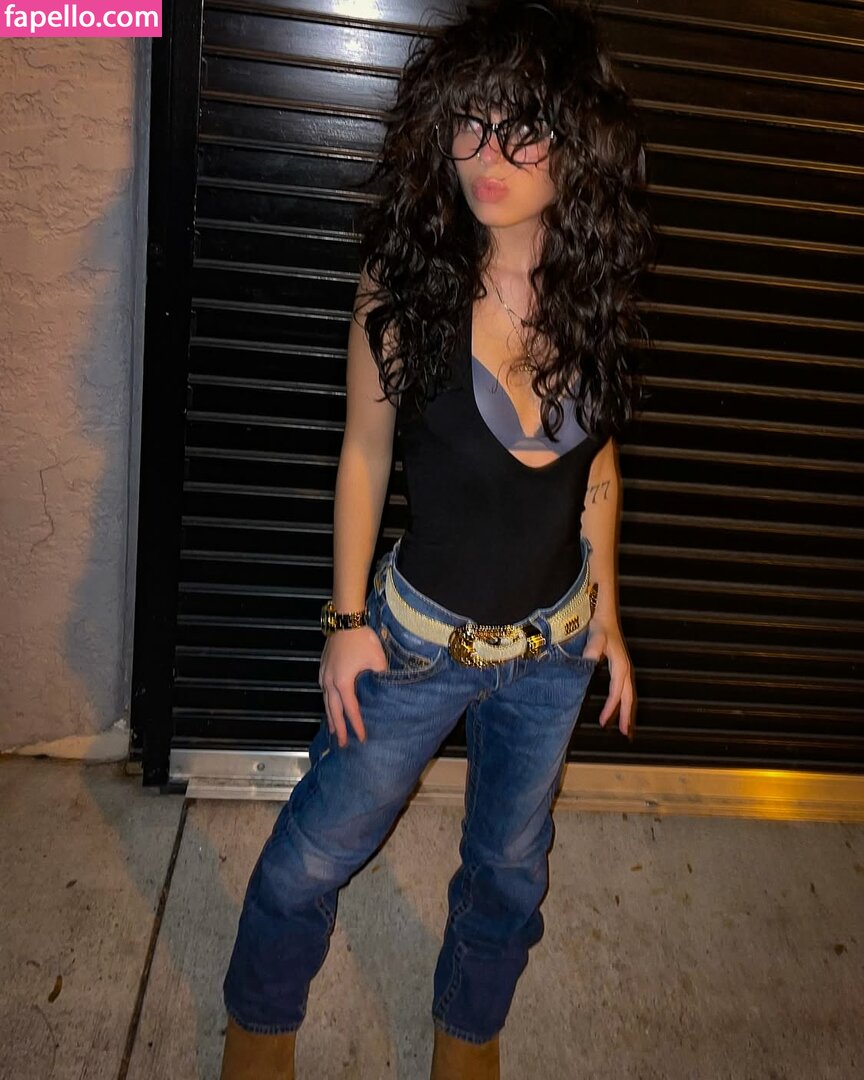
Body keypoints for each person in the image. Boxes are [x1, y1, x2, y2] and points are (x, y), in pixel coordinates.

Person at [219, 1, 652, 1076]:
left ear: (579, 140)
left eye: (522, 126)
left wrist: (607, 611)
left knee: (510, 871)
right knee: (314, 853)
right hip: (416, 643)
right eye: (469, 120)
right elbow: (364, 456)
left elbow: (598, 464)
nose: (486, 153)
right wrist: (345, 622)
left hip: (552, 652)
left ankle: (469, 1040)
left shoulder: (596, 290)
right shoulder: (406, 286)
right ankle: (257, 1035)